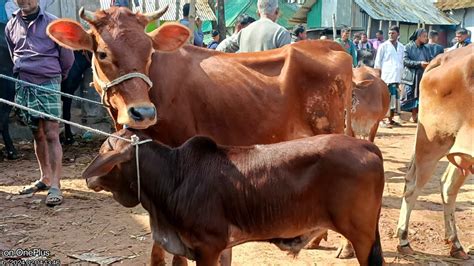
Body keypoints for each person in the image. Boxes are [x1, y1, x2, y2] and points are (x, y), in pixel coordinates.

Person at [5, 0, 74, 205]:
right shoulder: (11, 25)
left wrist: (56, 77)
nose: (24, 1)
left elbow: (67, 58)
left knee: (52, 133)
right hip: (24, 83)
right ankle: (44, 178)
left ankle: (55, 185)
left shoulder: (53, 24)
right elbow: (13, 54)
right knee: (37, 132)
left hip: (49, 81)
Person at [217, 0, 291, 53]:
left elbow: (221, 49)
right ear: (277, 11)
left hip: (246, 74)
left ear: (258, 13)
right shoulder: (281, 33)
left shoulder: (243, 33)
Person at [374, 26, 405, 127]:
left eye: (393, 33)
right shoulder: (383, 46)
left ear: (398, 34)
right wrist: (377, 75)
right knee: (386, 99)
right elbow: (378, 62)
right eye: (390, 33)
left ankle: (391, 119)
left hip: (397, 76)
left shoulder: (401, 47)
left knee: (395, 99)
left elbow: (402, 62)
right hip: (386, 76)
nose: (391, 35)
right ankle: (384, 120)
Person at [400, 28, 432, 123]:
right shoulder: (408, 47)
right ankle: (406, 116)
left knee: (421, 96)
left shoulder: (426, 48)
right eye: (424, 36)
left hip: (422, 75)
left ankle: (417, 116)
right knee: (409, 97)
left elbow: (430, 59)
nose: (426, 38)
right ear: (418, 37)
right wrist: (419, 63)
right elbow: (405, 61)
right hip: (411, 76)